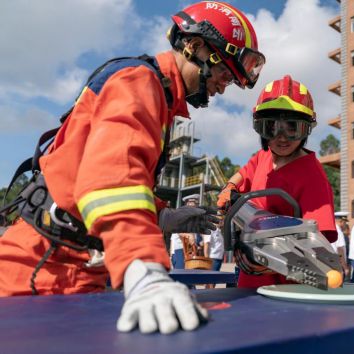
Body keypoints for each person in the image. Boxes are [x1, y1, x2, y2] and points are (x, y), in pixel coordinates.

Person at [0, 1, 265, 335]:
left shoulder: (160, 96)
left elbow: (99, 176)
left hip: (76, 266)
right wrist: (145, 269)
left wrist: (163, 214)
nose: (224, 86)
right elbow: (111, 179)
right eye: (225, 73)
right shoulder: (139, 82)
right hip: (44, 269)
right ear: (195, 46)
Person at [216, 75, 337, 288]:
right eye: (271, 127)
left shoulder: (313, 176)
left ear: (307, 128)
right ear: (260, 128)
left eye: (292, 128)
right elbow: (245, 173)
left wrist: (266, 259)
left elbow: (318, 246)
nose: (282, 137)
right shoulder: (263, 156)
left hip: (287, 285)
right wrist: (230, 187)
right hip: (250, 276)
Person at [170, 194, 201, 269]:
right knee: (181, 275)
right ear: (188, 203)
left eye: (197, 202)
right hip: (180, 249)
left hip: (189, 249)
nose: (196, 204)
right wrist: (189, 235)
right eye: (194, 202)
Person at [333, 211, 350, 278]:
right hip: (339, 265)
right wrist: (345, 267)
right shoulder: (339, 231)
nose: (345, 224)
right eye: (345, 222)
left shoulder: (333, 229)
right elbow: (340, 250)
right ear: (341, 221)